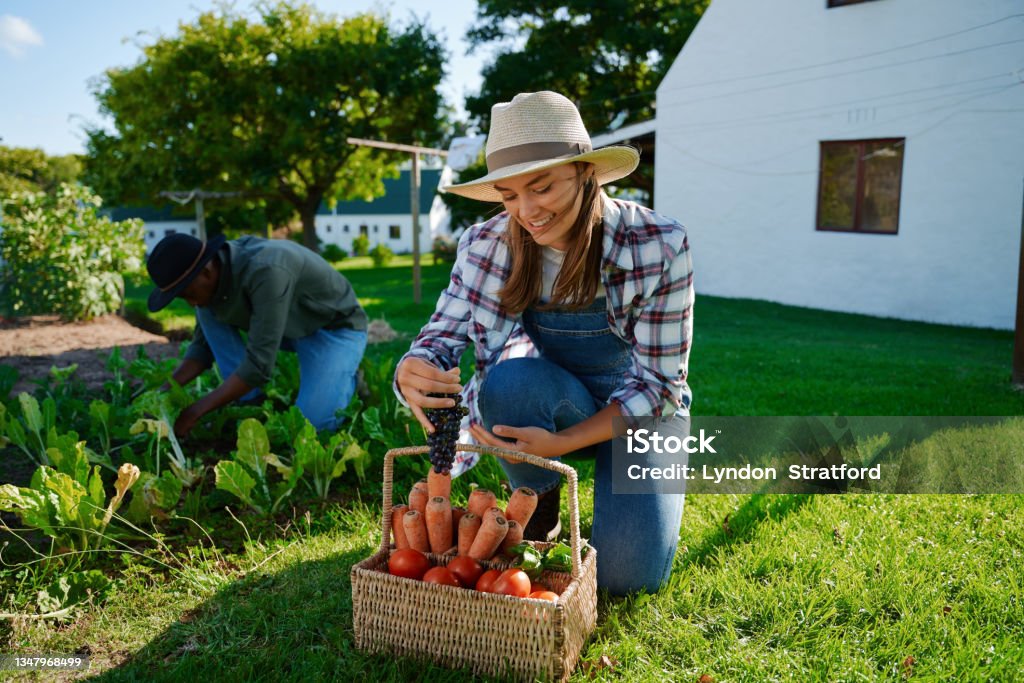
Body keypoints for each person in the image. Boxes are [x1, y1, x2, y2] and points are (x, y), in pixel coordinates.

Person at [394, 91, 694, 595]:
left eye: (541, 187)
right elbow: (438, 340)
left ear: (585, 173)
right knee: (506, 383)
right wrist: (413, 370)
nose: (527, 212)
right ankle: (540, 504)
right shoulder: (486, 244)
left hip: (642, 414)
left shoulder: (658, 243)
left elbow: (660, 385)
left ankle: (595, 480)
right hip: (556, 398)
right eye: (509, 196)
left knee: (624, 580)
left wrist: (566, 443)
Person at [146, 233, 368, 437]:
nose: (191, 302)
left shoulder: (267, 270)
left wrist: (196, 411)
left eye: (189, 293)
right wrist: (161, 392)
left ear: (206, 271)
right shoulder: (211, 280)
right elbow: (202, 350)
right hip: (288, 326)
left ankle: (348, 379)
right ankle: (248, 402)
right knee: (206, 311)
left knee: (311, 427)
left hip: (333, 330)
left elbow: (259, 367)